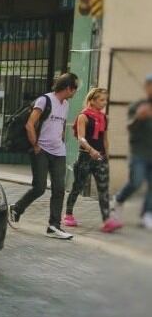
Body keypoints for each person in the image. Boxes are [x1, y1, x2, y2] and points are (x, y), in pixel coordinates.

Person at [8, 73, 79, 239]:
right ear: (68, 88)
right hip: (42, 151)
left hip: (58, 152)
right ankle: (17, 208)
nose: (75, 91)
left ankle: (54, 226)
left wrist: (61, 142)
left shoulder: (66, 105)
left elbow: (61, 125)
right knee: (39, 188)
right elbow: (29, 124)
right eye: (74, 88)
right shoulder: (44, 100)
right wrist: (35, 145)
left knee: (59, 189)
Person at [63, 88, 122, 232]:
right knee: (78, 186)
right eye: (101, 100)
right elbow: (81, 138)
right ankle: (68, 214)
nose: (104, 103)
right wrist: (91, 150)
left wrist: (106, 157)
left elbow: (105, 139)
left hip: (100, 158)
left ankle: (107, 220)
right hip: (85, 157)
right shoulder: (83, 116)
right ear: (92, 100)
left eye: (105, 100)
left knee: (103, 189)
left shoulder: (104, 118)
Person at [112, 74, 152, 230]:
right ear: (146, 87)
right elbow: (129, 127)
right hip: (139, 152)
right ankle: (119, 200)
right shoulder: (137, 106)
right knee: (136, 182)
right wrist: (138, 117)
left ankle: (147, 214)